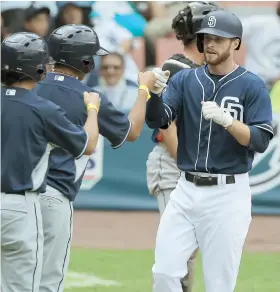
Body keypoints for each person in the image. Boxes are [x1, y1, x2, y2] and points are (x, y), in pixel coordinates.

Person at [145, 10, 274, 292]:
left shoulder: (252, 85)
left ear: (236, 44)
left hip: (228, 194)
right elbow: (158, 120)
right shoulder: (186, 80)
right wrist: (153, 95)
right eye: (206, 38)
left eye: (219, 38)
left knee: (219, 284)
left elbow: (261, 139)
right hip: (186, 188)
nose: (211, 44)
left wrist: (229, 122)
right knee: (165, 272)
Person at [34, 24, 155, 292]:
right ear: (85, 61)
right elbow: (131, 132)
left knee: (14, 277)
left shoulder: (29, 86)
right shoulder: (89, 97)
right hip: (54, 195)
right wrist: (143, 90)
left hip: (16, 194)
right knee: (48, 283)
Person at [1, 32, 100, 292]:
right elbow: (87, 145)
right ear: (37, 68)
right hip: (19, 206)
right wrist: (92, 110)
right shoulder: (43, 108)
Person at [146, 2, 218, 292]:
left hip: (187, 167)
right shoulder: (175, 68)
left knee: (186, 254)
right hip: (173, 165)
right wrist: (191, 166)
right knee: (176, 254)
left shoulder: (202, 71)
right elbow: (167, 128)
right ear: (201, 36)